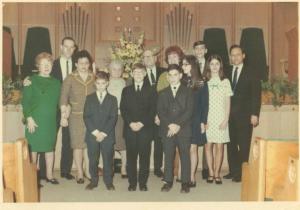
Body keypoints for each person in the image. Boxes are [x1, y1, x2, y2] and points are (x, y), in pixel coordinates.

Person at [21, 52, 61, 185]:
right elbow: (25, 102)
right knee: (34, 149)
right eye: (43, 64)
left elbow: (61, 101)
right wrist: (29, 118)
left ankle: (49, 175)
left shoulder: (56, 83)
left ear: (52, 65)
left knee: (50, 148)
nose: (46, 66)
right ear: (38, 66)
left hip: (49, 121)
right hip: (34, 120)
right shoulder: (30, 81)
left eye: (48, 64)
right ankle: (34, 176)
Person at [224, 45, 261, 182]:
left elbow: (256, 95)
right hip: (228, 115)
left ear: (243, 55)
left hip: (245, 116)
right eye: (232, 55)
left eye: (238, 54)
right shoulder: (226, 71)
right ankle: (233, 171)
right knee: (231, 144)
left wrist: (255, 114)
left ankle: (241, 172)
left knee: (244, 145)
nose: (235, 57)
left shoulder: (252, 72)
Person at [60, 50, 96, 184]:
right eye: (81, 63)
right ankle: (79, 172)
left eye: (86, 63)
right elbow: (63, 97)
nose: (84, 65)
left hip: (92, 117)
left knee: (89, 145)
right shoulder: (70, 78)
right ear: (76, 64)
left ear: (89, 64)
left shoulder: (94, 77)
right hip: (75, 116)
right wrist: (64, 114)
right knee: (77, 145)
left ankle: (88, 170)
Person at [157, 64, 194, 193]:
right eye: (170, 75)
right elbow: (161, 112)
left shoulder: (188, 91)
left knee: (185, 155)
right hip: (167, 129)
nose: (173, 78)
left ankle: (185, 182)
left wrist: (177, 125)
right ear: (167, 77)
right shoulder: (162, 93)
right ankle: (168, 181)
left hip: (183, 129)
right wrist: (170, 125)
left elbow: (189, 111)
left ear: (180, 75)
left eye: (175, 75)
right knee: (168, 155)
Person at [120, 63, 156, 191]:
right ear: (131, 74)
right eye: (135, 72)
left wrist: (141, 123)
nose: (138, 75)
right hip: (130, 129)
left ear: (145, 74)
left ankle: (143, 183)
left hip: (145, 129)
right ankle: (132, 183)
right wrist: (131, 123)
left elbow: (152, 110)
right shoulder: (126, 90)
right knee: (131, 158)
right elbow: (123, 109)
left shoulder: (151, 90)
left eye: (141, 72)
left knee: (144, 157)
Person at [83, 71, 118, 190]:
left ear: (107, 84)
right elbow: (86, 117)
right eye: (98, 83)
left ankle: (108, 181)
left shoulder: (113, 99)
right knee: (93, 159)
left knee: (108, 159)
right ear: (95, 84)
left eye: (103, 83)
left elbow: (113, 118)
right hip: (92, 135)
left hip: (107, 135)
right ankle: (93, 181)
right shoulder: (89, 98)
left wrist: (103, 133)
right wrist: (96, 132)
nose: (101, 86)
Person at [157, 45, 184, 181]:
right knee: (168, 148)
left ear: (179, 58)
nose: (172, 58)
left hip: (182, 119)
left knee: (182, 149)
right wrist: (159, 115)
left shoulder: (184, 73)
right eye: (169, 57)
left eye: (175, 56)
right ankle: (169, 174)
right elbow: (159, 97)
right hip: (167, 117)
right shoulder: (163, 75)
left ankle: (180, 173)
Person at [204, 55, 233, 185]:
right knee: (208, 145)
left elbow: (228, 102)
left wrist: (226, 119)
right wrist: (204, 120)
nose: (214, 66)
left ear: (220, 66)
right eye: (212, 64)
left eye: (217, 64)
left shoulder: (225, 81)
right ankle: (210, 172)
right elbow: (202, 103)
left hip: (221, 118)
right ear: (208, 66)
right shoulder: (204, 81)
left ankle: (217, 173)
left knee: (220, 147)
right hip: (208, 118)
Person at [181, 55, 208, 187]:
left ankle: (191, 176)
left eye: (186, 64)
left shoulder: (201, 82)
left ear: (192, 66)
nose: (183, 67)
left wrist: (203, 121)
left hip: (196, 120)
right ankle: (183, 174)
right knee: (183, 148)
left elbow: (205, 104)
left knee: (193, 148)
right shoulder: (181, 80)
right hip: (182, 120)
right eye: (183, 64)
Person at [142, 48, 166, 178]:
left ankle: (157, 168)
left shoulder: (164, 72)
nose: (147, 59)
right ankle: (144, 168)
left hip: (161, 114)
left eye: (150, 56)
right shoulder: (138, 73)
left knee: (159, 143)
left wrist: (161, 115)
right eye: (145, 57)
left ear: (155, 59)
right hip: (145, 115)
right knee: (145, 143)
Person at [107, 60, 127, 178]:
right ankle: (109, 167)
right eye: (114, 69)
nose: (117, 71)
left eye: (119, 69)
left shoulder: (125, 82)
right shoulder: (105, 82)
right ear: (109, 70)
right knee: (109, 143)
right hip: (107, 117)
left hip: (120, 117)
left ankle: (124, 168)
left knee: (122, 143)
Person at [193, 40, 209, 179]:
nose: (199, 51)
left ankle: (206, 167)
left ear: (205, 50)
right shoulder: (191, 65)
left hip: (210, 104)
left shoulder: (212, 65)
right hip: (197, 105)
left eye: (201, 48)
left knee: (207, 138)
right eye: (196, 49)